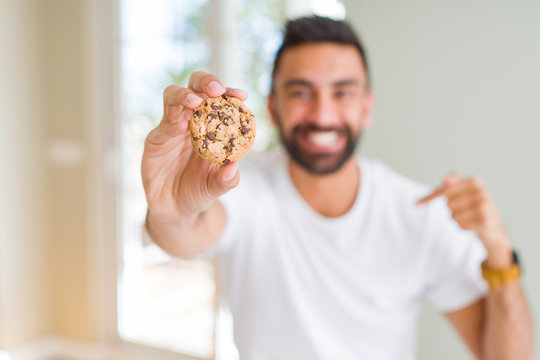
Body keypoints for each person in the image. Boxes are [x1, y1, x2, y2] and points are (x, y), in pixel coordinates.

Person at [141, 16, 534, 360]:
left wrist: (499, 250)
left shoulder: (417, 209)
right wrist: (169, 211)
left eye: (342, 92)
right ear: (273, 108)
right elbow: (185, 235)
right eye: (301, 92)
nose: (323, 115)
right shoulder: (240, 186)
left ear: (367, 108)